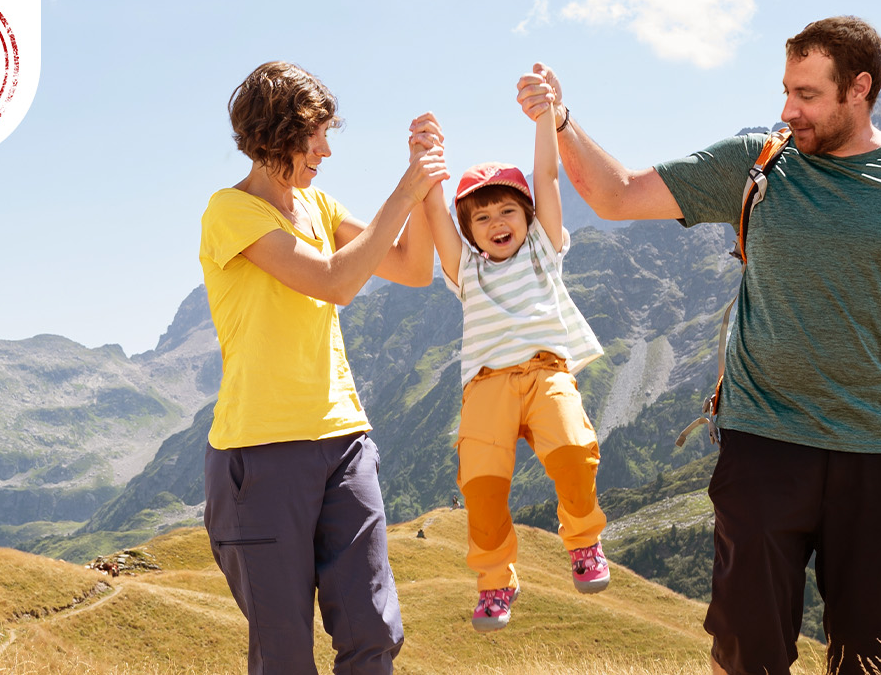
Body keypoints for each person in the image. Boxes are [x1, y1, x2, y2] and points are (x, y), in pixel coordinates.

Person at [515, 17, 881, 674]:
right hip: (762, 451)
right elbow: (614, 194)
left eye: (808, 94)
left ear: (859, 90)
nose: (789, 108)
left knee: (878, 662)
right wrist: (562, 121)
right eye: (786, 89)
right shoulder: (756, 163)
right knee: (746, 657)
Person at [199, 60, 447, 674]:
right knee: (284, 655)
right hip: (259, 456)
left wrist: (428, 177)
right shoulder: (231, 213)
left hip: (343, 442)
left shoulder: (319, 205)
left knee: (372, 630)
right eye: (315, 136)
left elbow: (415, 268)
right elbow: (334, 281)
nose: (326, 151)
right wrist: (404, 190)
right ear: (275, 135)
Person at [418, 84, 610, 633]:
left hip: (546, 372)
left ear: (527, 216)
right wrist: (426, 158)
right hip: (486, 387)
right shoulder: (465, 271)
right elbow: (434, 208)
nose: (496, 222)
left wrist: (546, 116)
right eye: (481, 217)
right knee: (481, 486)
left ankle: (583, 541)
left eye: (507, 209)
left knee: (573, 450)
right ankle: (495, 583)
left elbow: (547, 177)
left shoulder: (544, 249)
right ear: (468, 231)